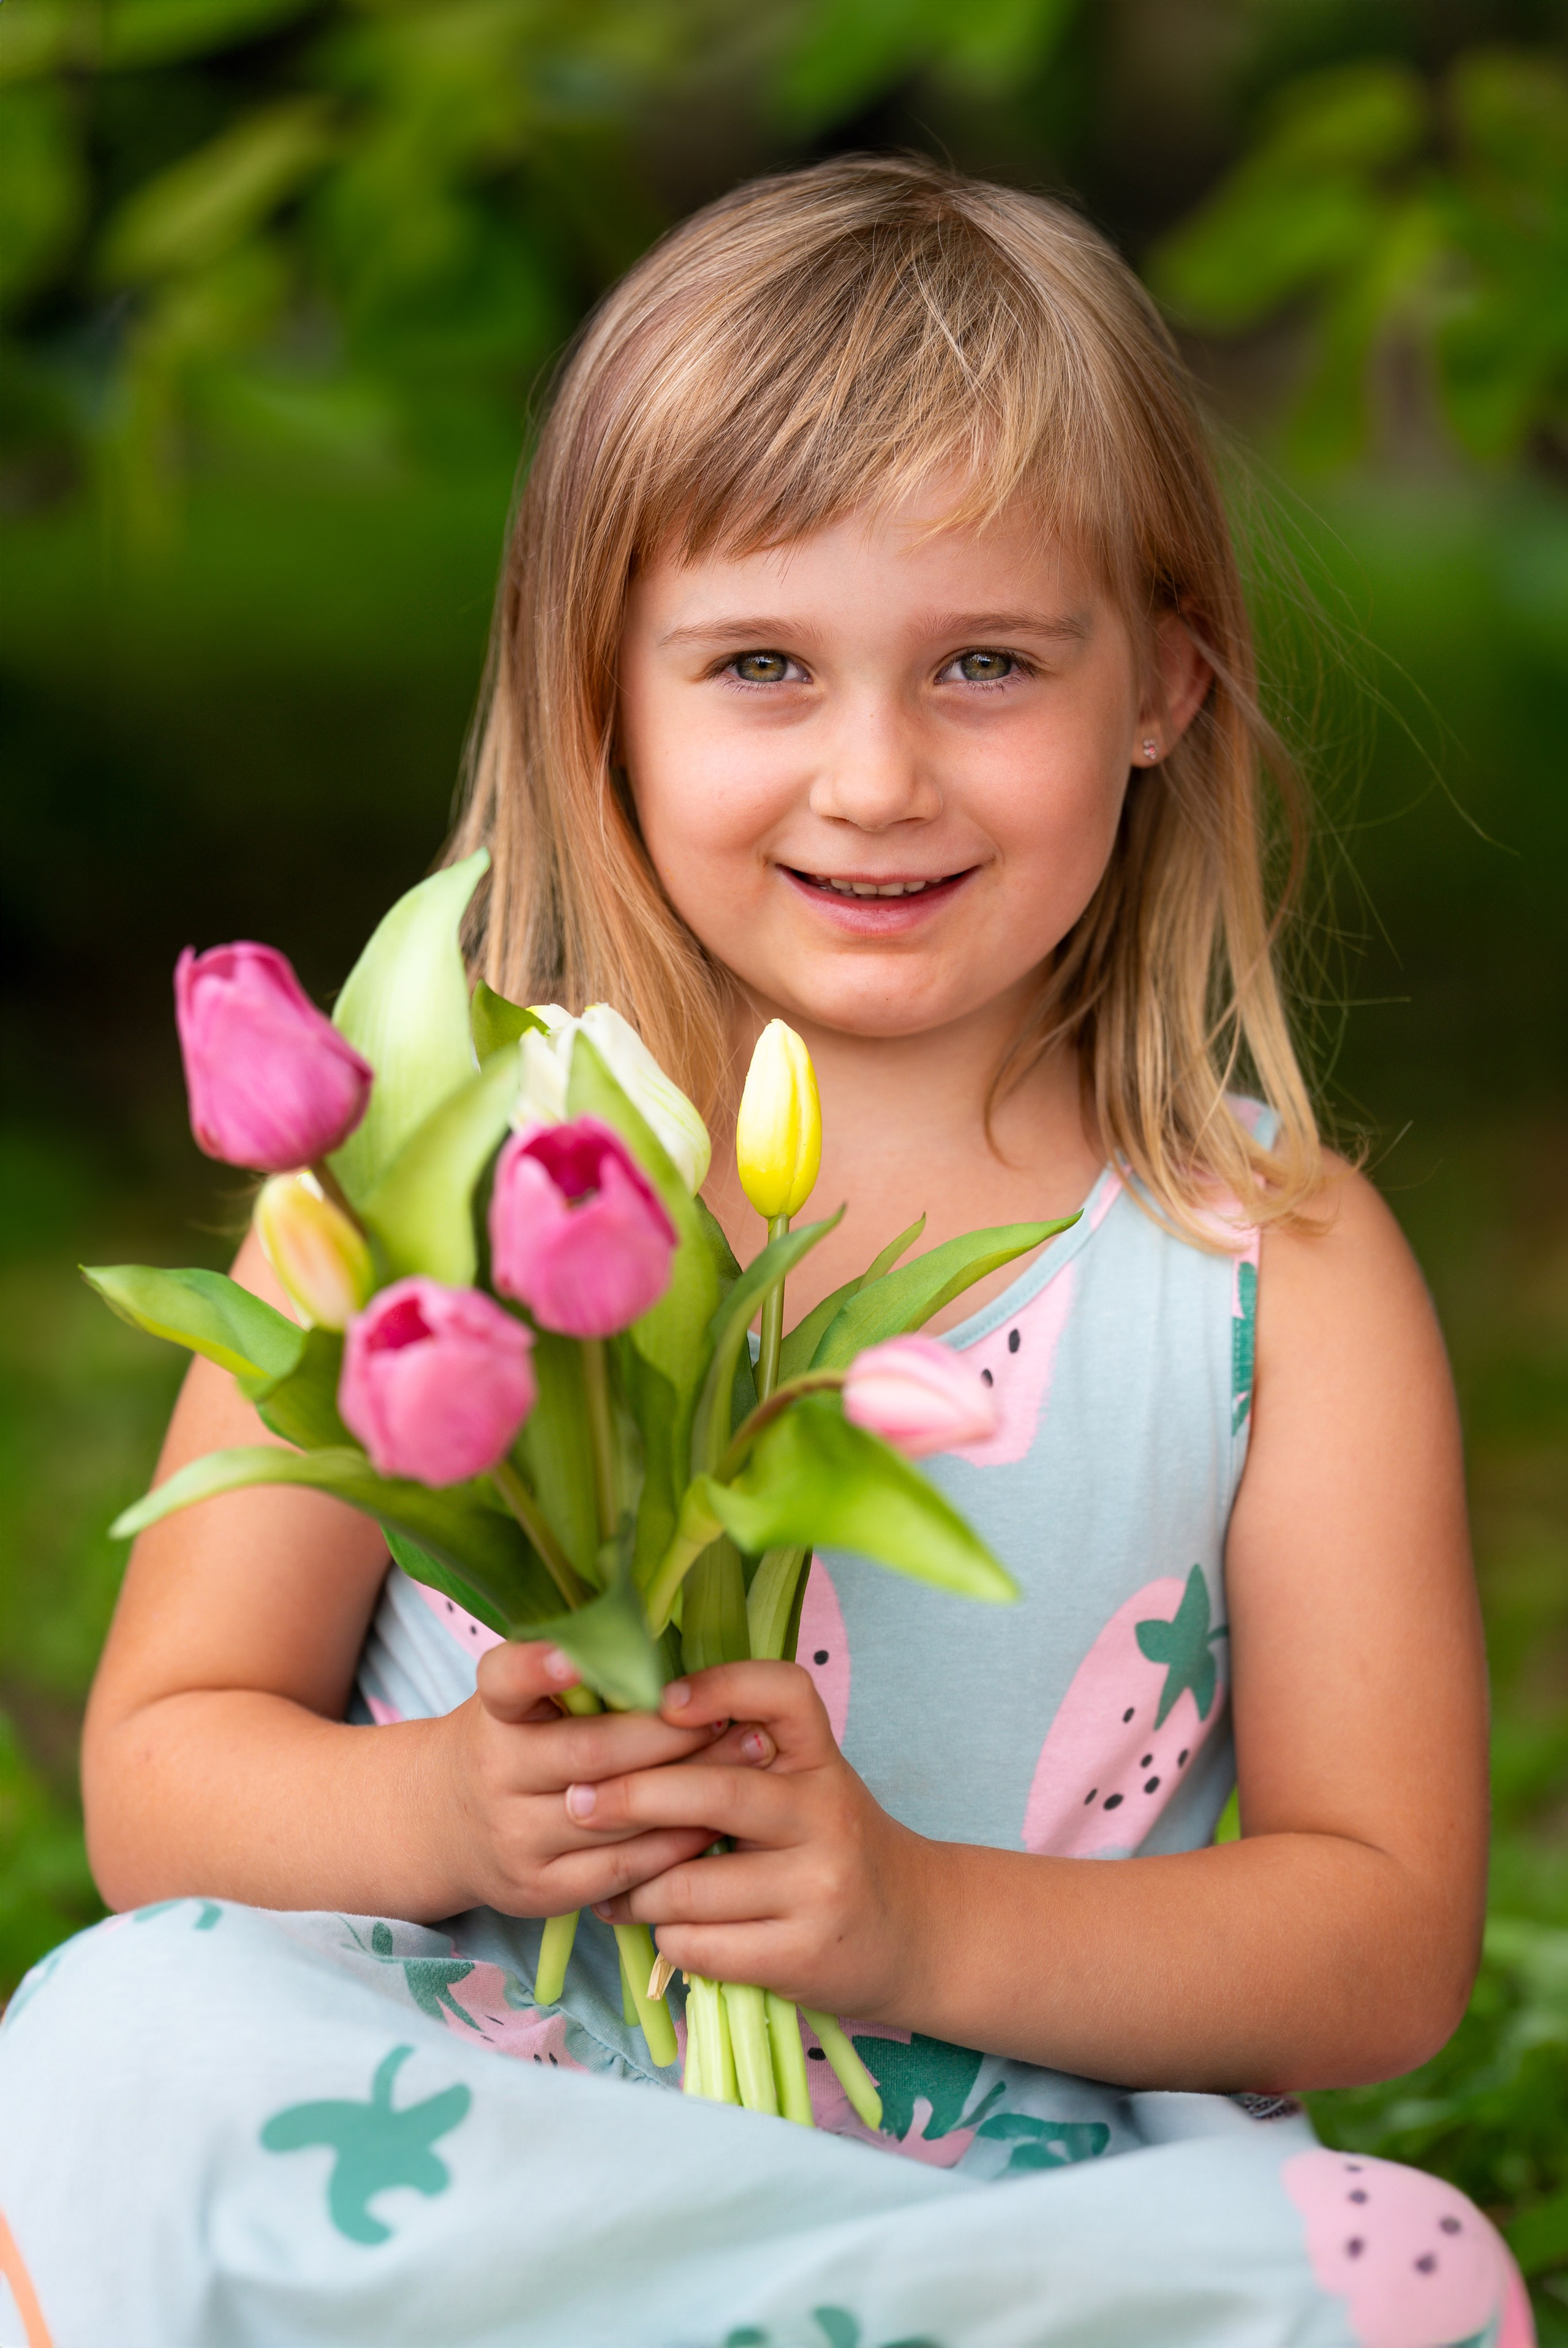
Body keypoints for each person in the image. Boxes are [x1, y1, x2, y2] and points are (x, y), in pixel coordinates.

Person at [0, 156, 1529, 2348]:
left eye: (988, 661)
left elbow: (1378, 1941)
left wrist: (913, 1928)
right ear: (601, 694)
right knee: (119, 2032)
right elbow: (162, 1773)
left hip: (986, 2200)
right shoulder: (439, 1179)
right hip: (463, 2131)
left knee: (1406, 2275)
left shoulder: (1267, 1266)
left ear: (1166, 685)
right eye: (761, 667)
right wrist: (451, 1800)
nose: (879, 775)